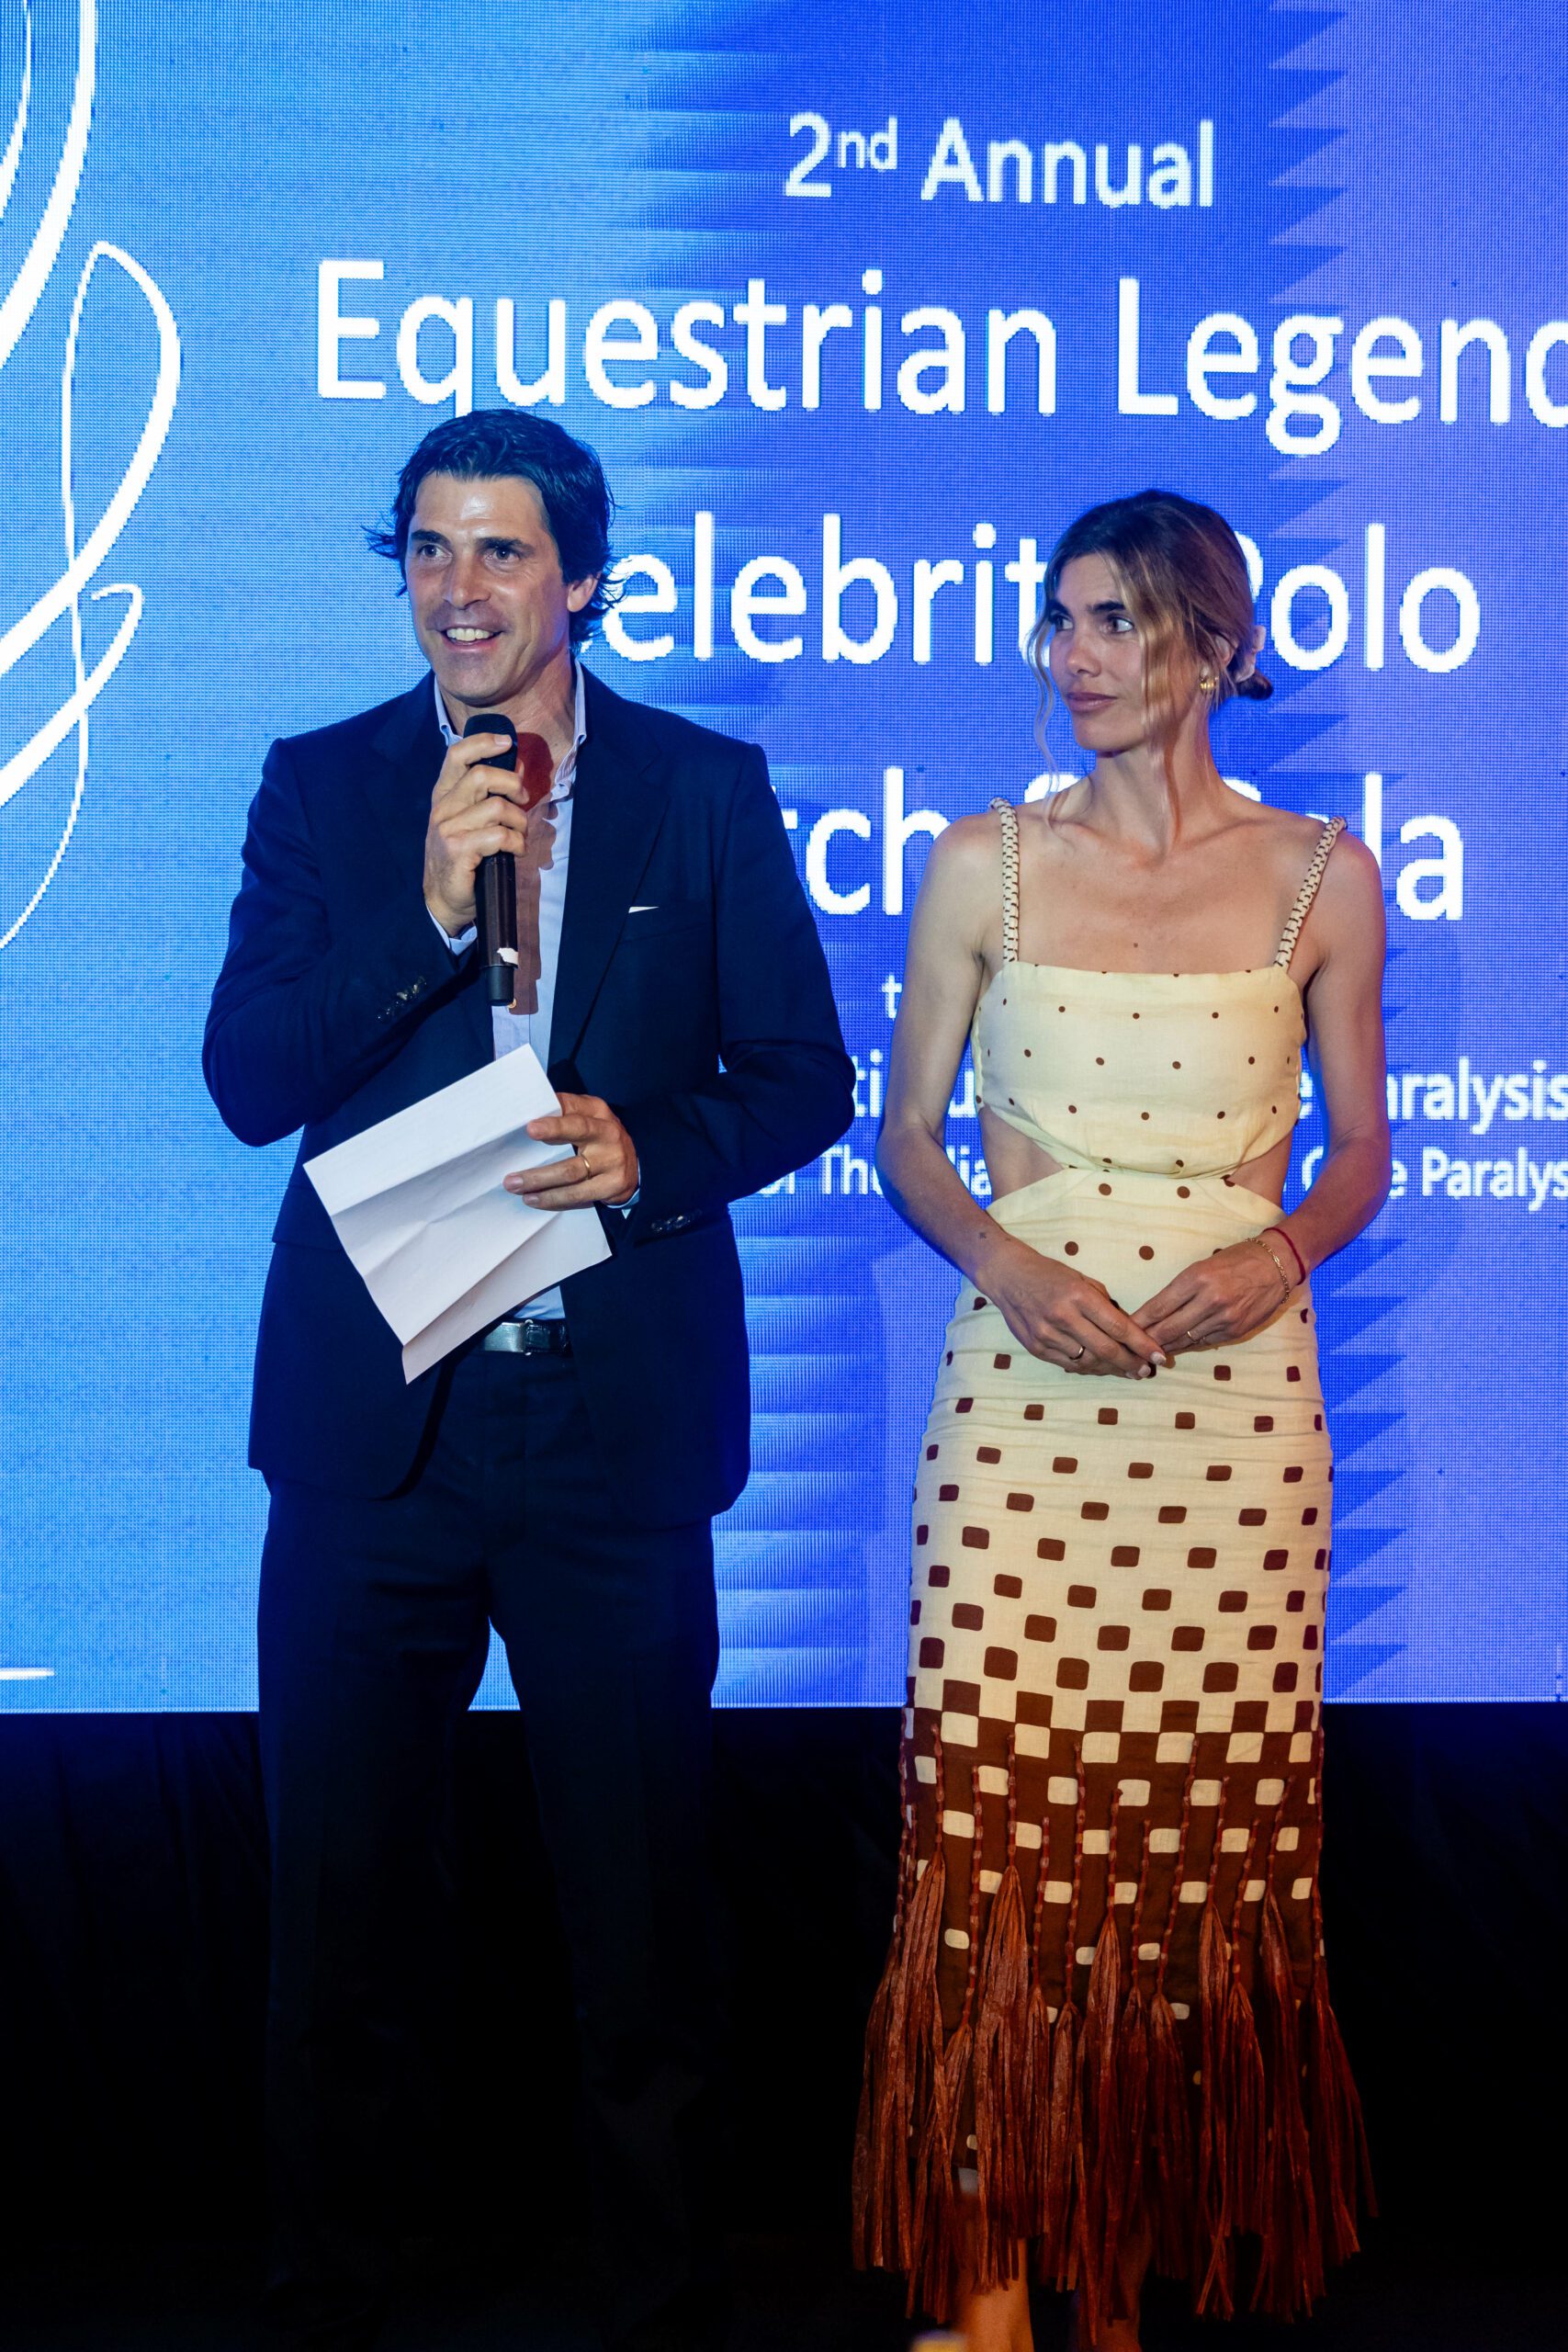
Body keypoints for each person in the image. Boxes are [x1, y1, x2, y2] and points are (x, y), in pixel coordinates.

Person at [203, 409, 853, 2352]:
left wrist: (648, 1150)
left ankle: (657, 2294)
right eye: (427, 550)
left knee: (639, 1907)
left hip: (607, 1417)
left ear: (583, 577)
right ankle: (339, 2290)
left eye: (500, 554)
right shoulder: (319, 787)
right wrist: (417, 908)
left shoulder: (700, 788)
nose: (460, 591)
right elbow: (248, 1079)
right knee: (342, 1907)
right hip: (371, 1423)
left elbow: (799, 1075)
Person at [852, 491, 1388, 2350]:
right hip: (1020, 1412)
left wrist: (1285, 1252)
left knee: (1182, 1851)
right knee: (998, 1844)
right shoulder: (978, 862)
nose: (1067, 653)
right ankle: (983, 2284)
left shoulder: (1320, 874)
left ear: (1210, 644)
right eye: (1056, 616)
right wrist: (1001, 1261)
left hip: (1236, 1427)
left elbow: (1358, 1152)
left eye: (1110, 621)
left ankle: (1111, 2284)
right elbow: (907, 1136)